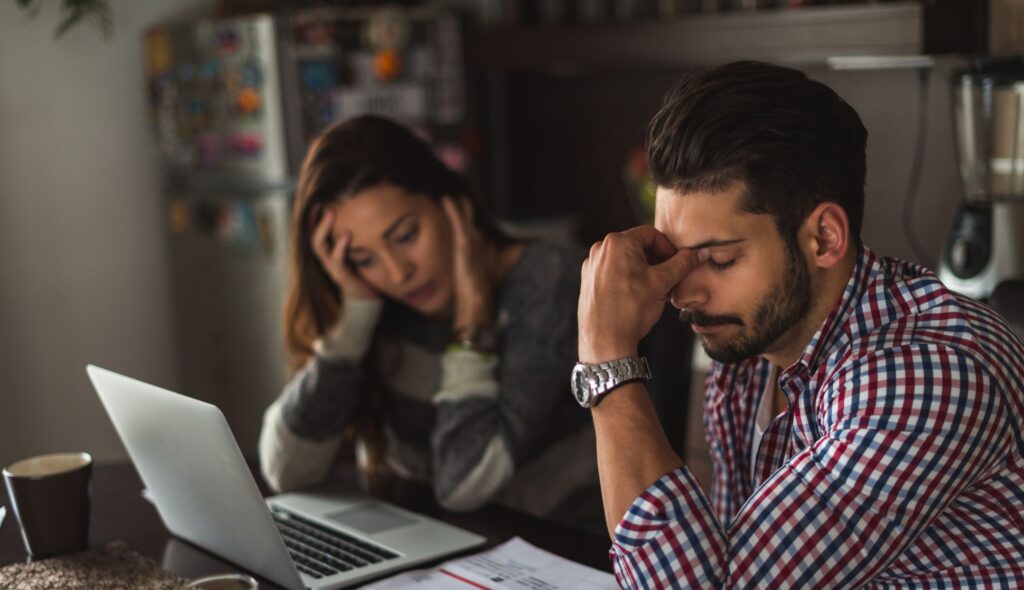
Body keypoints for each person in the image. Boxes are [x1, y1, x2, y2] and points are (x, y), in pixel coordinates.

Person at [574, 61, 1024, 587]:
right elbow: (723, 562)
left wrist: (607, 359)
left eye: (718, 260)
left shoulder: (925, 377)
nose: (684, 293)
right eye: (676, 257)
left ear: (825, 238)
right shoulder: (748, 355)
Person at [259, 115, 600, 529]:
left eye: (405, 236)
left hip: (553, 552)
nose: (397, 273)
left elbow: (464, 485)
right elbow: (285, 470)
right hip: (432, 547)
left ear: (450, 201)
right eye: (364, 259)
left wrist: (472, 320)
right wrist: (353, 321)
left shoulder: (548, 282)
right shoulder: (380, 302)